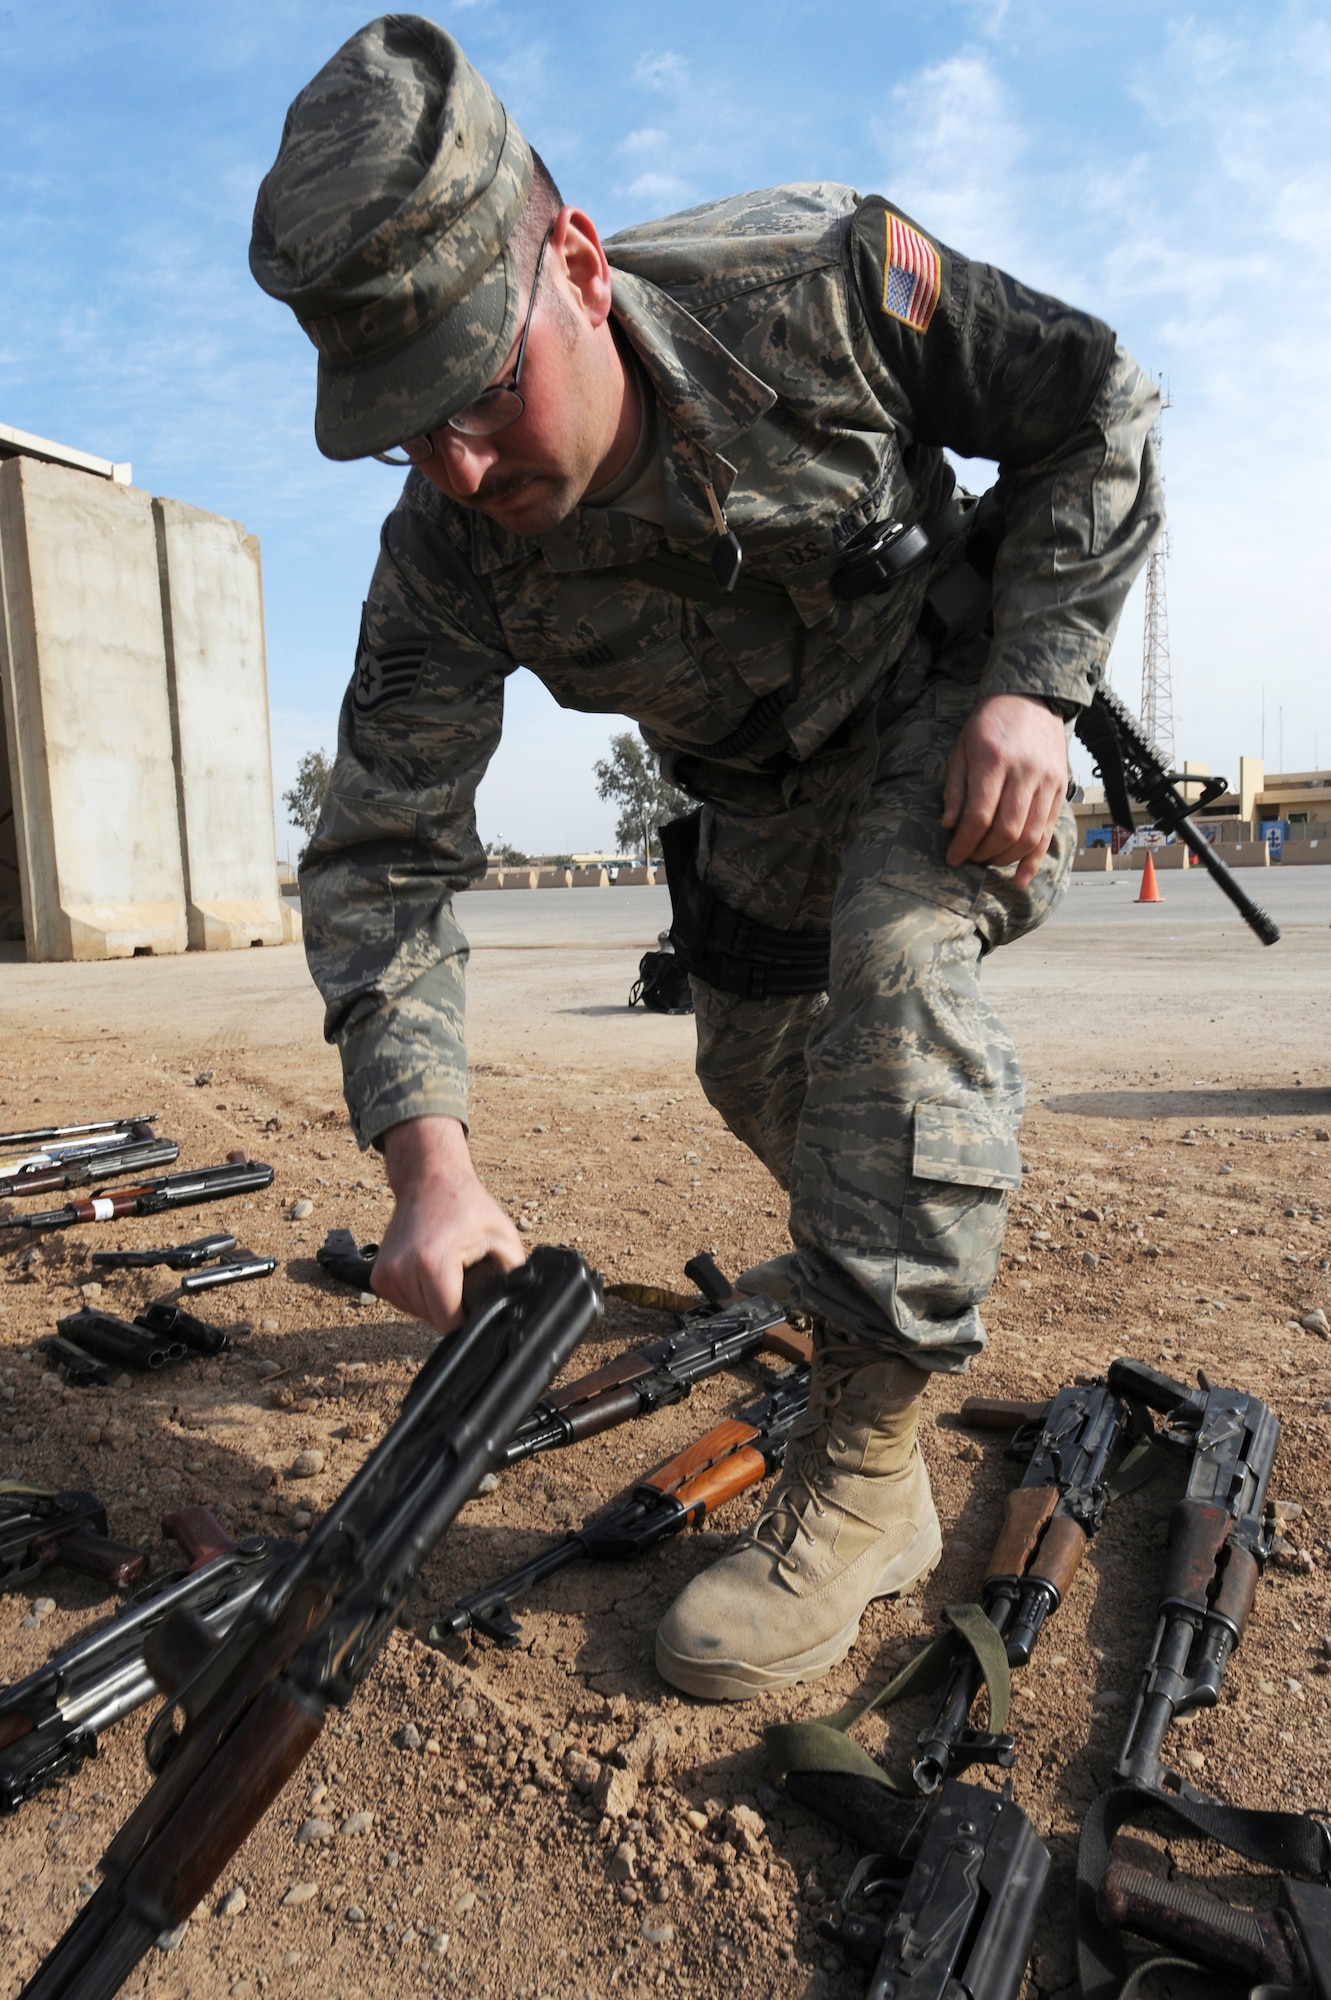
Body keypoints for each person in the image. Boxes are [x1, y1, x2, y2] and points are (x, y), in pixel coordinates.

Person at [250, 16, 1162, 1702]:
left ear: (578, 269)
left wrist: (1036, 689)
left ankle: (873, 1469)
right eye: (405, 434)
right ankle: (857, 1258)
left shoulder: (813, 283)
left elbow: (1095, 402)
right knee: (764, 1081)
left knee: (893, 994)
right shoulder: (447, 553)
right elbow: (385, 850)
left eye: (477, 392)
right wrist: (427, 1170)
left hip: (940, 716)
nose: (459, 465)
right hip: (750, 792)